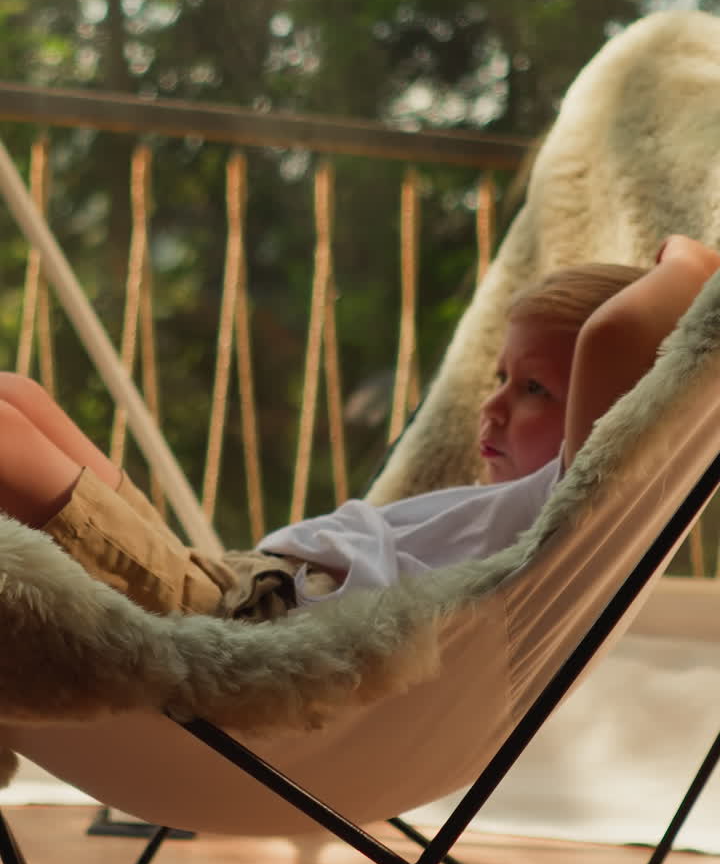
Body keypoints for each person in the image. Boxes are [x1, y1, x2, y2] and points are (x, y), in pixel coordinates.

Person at [0, 234, 717, 618]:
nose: (493, 405)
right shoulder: (529, 514)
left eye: (534, 388)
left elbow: (618, 336)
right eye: (501, 378)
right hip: (233, 582)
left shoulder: (578, 499)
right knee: (17, 393)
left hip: (242, 626)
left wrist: (689, 260)